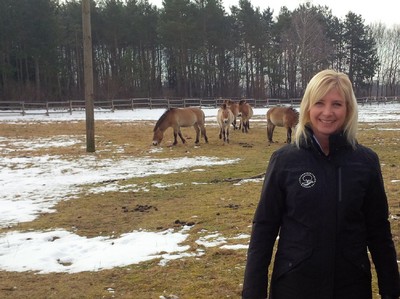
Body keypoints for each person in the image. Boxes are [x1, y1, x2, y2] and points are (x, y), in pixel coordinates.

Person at [242, 69, 400, 299]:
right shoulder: (285, 160)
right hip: (294, 286)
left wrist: (392, 290)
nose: (327, 112)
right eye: (319, 103)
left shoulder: (365, 162)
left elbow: (378, 230)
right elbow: (264, 229)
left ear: (348, 109)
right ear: (308, 107)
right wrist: (253, 292)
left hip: (351, 286)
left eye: (336, 104)